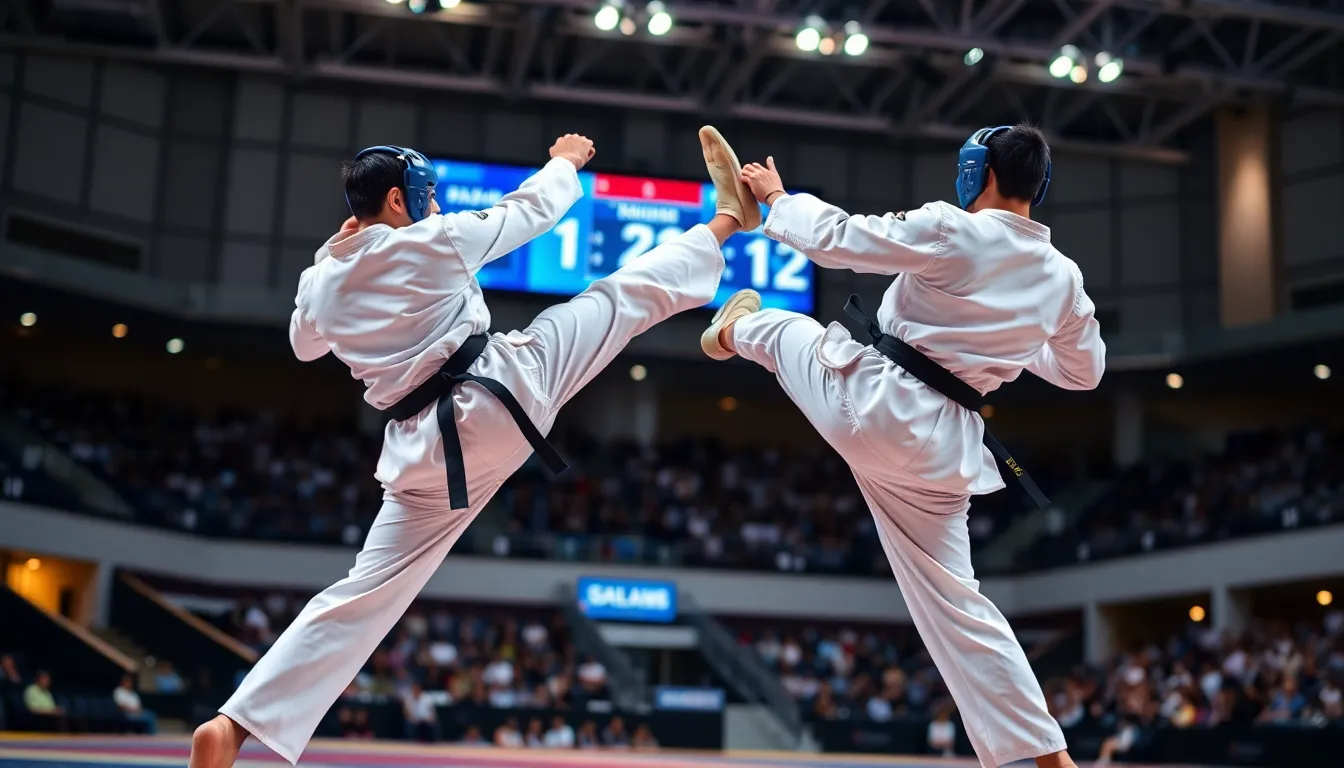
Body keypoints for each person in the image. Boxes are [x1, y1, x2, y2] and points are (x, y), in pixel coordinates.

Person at [189, 126, 760, 768]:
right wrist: (563, 161)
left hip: (420, 456)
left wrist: (330, 254)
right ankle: (725, 225)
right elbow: (534, 210)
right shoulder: (434, 242)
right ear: (399, 202)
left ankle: (233, 726)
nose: (433, 204)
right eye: (425, 194)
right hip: (495, 398)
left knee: (359, 596)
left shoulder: (322, 283)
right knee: (615, 299)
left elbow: (303, 344)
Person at [710, 124, 1103, 768]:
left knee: (784, 329)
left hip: (878, 409)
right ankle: (1047, 757)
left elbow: (839, 240)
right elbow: (1085, 371)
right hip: (948, 455)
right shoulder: (1063, 278)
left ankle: (734, 330)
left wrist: (779, 200)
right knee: (962, 610)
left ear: (979, 173)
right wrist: (1008, 330)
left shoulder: (954, 226)